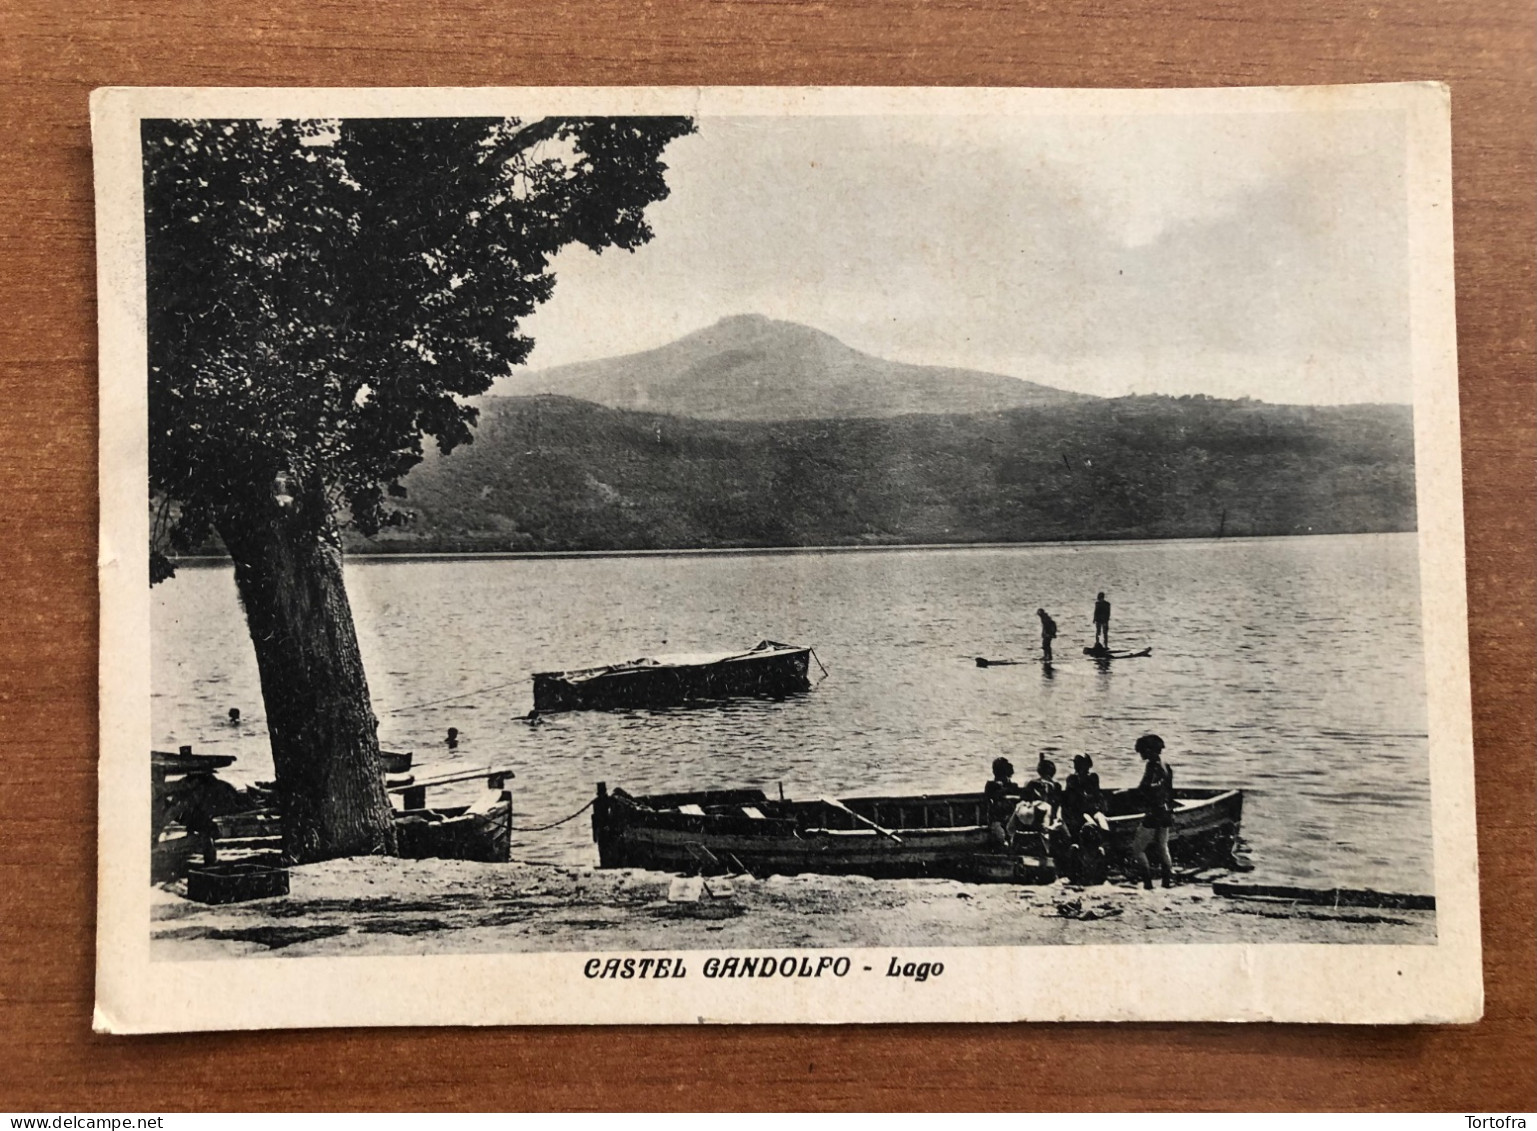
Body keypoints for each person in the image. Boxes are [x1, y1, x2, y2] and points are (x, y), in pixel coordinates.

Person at [1129, 733, 1176, 890]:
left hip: (1154, 812)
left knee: (1137, 849)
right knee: (1163, 846)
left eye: (1142, 751)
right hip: (1165, 811)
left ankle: (1148, 883)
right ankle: (1166, 882)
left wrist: (1128, 793)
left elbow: (1144, 788)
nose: (1141, 754)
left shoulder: (1152, 766)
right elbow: (1169, 791)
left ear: (1149, 750)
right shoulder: (1166, 765)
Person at [1061, 754, 1110, 884]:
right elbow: (1071, 798)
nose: (1077, 766)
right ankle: (1098, 841)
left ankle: (1105, 839)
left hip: (1092, 810)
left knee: (1101, 819)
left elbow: (1096, 794)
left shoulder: (1093, 777)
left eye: (1079, 763)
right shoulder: (1072, 779)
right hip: (1079, 812)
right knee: (1089, 819)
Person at [984, 756, 1023, 844]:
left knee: (1006, 837)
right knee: (1002, 838)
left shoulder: (1012, 786)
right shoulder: (992, 785)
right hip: (998, 819)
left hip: (1009, 818)